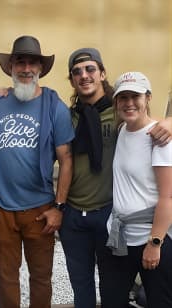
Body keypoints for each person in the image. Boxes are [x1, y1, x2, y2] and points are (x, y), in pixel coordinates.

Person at [58, 48, 172, 308]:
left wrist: (170, 122)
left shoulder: (145, 130)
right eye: (77, 72)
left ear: (102, 74)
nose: (84, 76)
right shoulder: (78, 117)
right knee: (101, 291)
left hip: (126, 221)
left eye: (90, 69)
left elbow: (167, 194)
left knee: (157, 296)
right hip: (109, 227)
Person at [0, 35, 74, 308]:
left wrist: (59, 206)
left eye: (33, 63)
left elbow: (66, 160)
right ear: (10, 67)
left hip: (40, 210)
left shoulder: (55, 107)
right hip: (1, 208)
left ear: (41, 69)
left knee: (41, 277)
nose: (27, 68)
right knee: (5, 275)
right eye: (20, 62)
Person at [104, 72, 172, 308]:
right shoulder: (122, 130)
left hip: (150, 238)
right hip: (121, 237)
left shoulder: (159, 138)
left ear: (148, 98)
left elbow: (167, 196)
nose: (129, 102)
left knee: (159, 301)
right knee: (113, 300)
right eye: (123, 97)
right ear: (116, 102)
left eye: (135, 96)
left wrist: (155, 244)